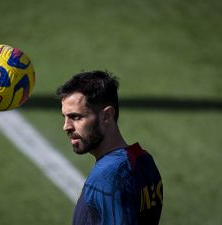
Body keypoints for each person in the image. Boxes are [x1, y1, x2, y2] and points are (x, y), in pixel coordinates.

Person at [56, 70, 163, 225]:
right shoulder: (144, 161)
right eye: (65, 117)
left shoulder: (108, 177)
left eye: (76, 117)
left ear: (107, 116)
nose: (66, 127)